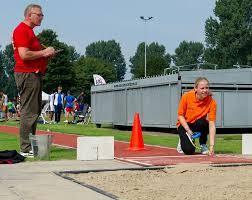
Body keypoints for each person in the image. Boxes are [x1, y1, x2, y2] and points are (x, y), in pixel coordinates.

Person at [12, 4, 56, 157]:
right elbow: (24, 55)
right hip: (28, 74)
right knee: (29, 111)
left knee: (33, 111)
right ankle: (25, 148)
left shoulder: (28, 31)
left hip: (32, 74)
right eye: (39, 14)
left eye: (42, 15)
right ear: (29, 15)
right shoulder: (22, 30)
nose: (41, 17)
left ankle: (29, 145)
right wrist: (44, 52)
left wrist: (45, 55)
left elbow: (30, 54)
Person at [176, 77, 217, 156]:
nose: (205, 90)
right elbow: (180, 116)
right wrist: (188, 131)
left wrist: (212, 146)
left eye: (207, 88)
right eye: (202, 88)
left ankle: (203, 145)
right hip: (184, 125)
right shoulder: (186, 96)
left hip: (198, 124)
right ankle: (183, 139)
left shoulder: (212, 102)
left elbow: (212, 124)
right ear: (195, 89)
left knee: (204, 122)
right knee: (189, 151)